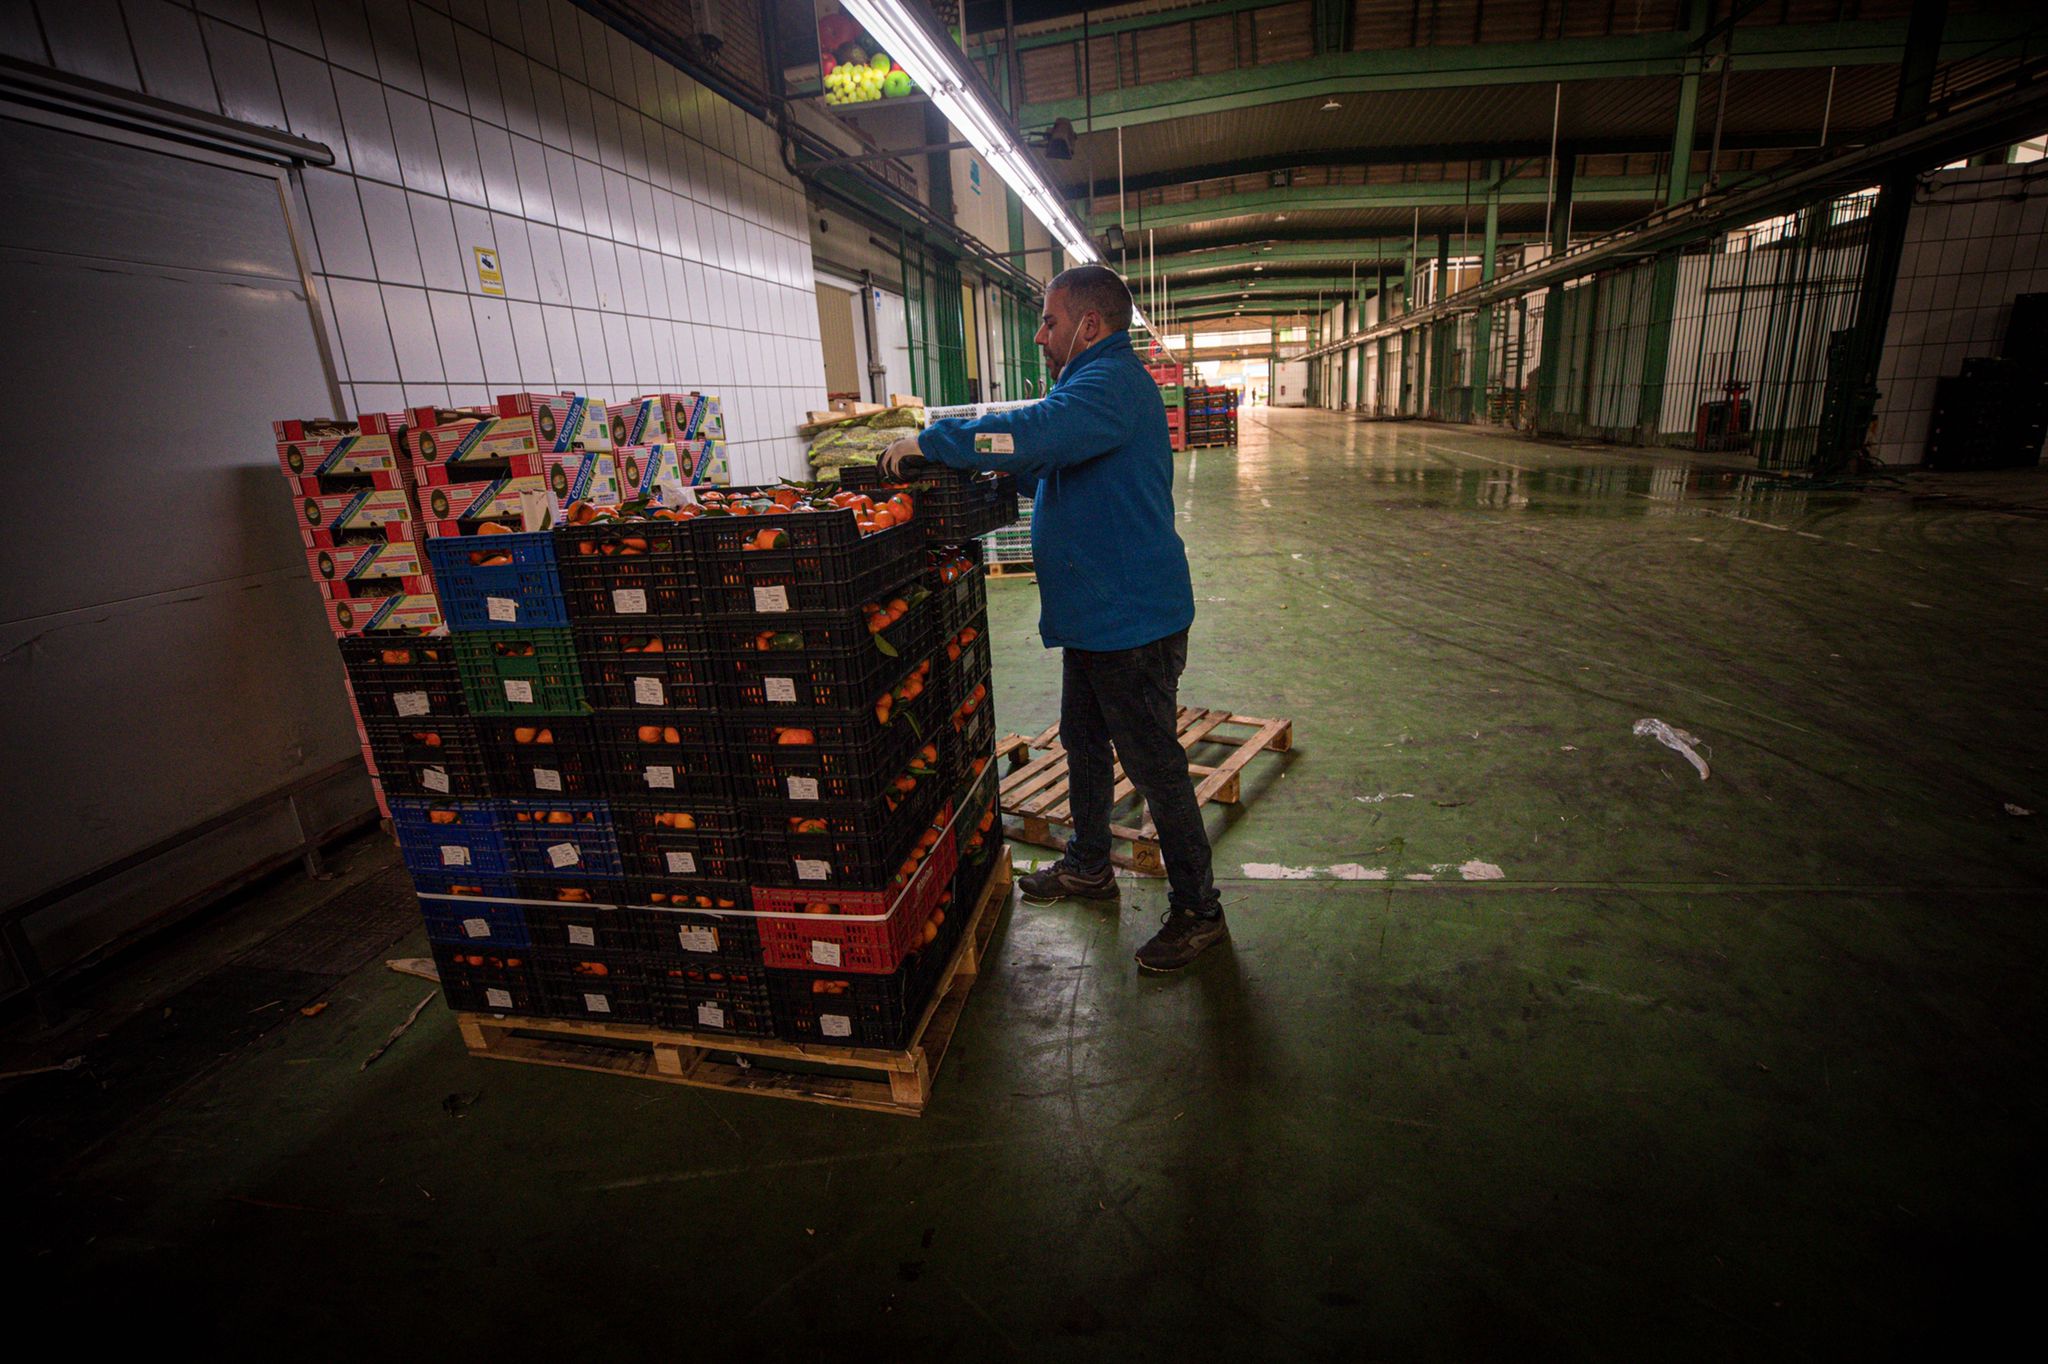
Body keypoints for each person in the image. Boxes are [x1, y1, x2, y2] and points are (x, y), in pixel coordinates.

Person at [879, 265, 1226, 973]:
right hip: (1097, 616)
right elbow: (1048, 464)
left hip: (1132, 619)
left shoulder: (1107, 386)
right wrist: (999, 474)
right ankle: (1089, 864)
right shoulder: (1088, 387)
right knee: (1084, 742)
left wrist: (936, 442)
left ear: (1089, 325)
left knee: (1155, 766)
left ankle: (1199, 911)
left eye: (1048, 321)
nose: (1040, 334)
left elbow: (1035, 435)